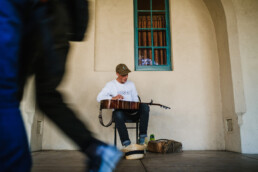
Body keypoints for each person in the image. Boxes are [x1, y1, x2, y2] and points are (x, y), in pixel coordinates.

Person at [0, 0, 122, 172]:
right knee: (45, 97)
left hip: (42, 18)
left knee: (7, 97)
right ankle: (96, 149)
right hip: (57, 26)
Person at [97, 64, 150, 149]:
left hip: (133, 113)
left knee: (145, 107)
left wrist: (131, 104)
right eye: (123, 75)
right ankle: (127, 144)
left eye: (126, 75)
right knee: (117, 113)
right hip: (121, 115)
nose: (125, 77)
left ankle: (142, 140)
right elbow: (99, 98)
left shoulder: (131, 84)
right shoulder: (111, 84)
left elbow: (135, 100)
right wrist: (113, 98)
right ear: (117, 74)